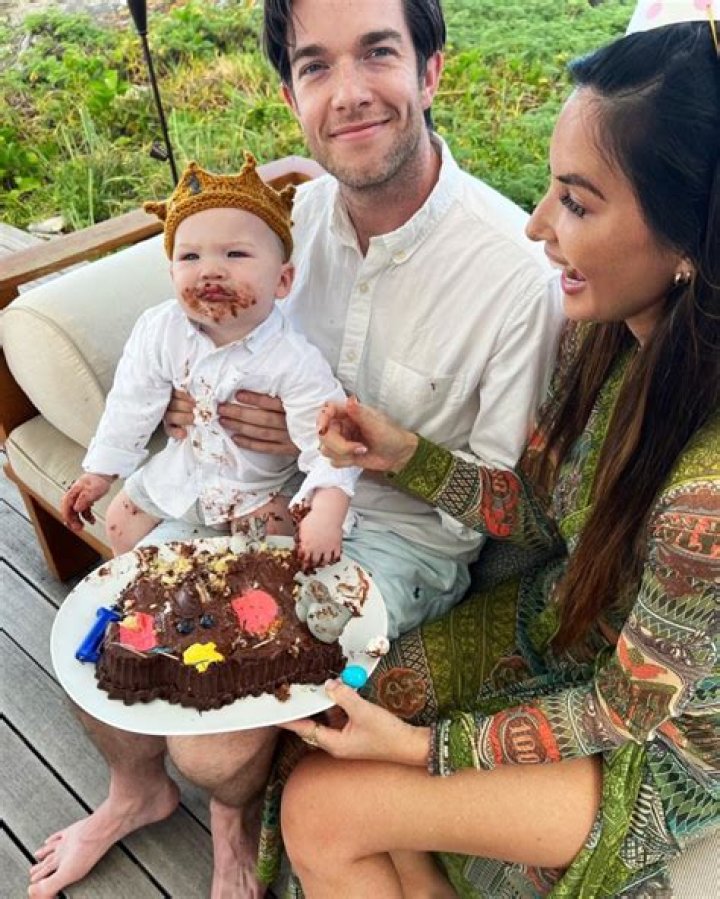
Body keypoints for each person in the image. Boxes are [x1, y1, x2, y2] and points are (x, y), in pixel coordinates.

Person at [29, 1, 561, 896]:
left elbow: (508, 499)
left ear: (431, 71)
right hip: (248, 499)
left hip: (396, 538)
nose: (348, 93)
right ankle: (134, 792)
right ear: (292, 93)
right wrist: (188, 423)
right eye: (316, 66)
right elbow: (189, 341)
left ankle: (230, 813)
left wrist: (375, 449)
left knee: (217, 740)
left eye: (378, 54)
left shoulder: (515, 276)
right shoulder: (284, 229)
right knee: (99, 627)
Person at [266, 8, 720, 897]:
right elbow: (548, 510)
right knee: (327, 702)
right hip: (563, 625)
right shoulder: (614, 337)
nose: (537, 225)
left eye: (577, 203)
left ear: (687, 245)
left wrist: (418, 751)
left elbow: (625, 709)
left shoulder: (706, 501)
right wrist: (407, 455)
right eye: (553, 188)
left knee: (323, 806)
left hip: (653, 752)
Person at [60, 153, 358, 568]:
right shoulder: (159, 330)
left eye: (235, 254)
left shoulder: (293, 361)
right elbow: (131, 404)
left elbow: (327, 441)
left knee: (267, 554)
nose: (211, 271)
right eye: (190, 258)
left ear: (283, 280)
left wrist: (327, 508)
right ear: (171, 275)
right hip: (182, 474)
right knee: (118, 522)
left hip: (257, 486)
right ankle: (144, 605)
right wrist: (100, 473)